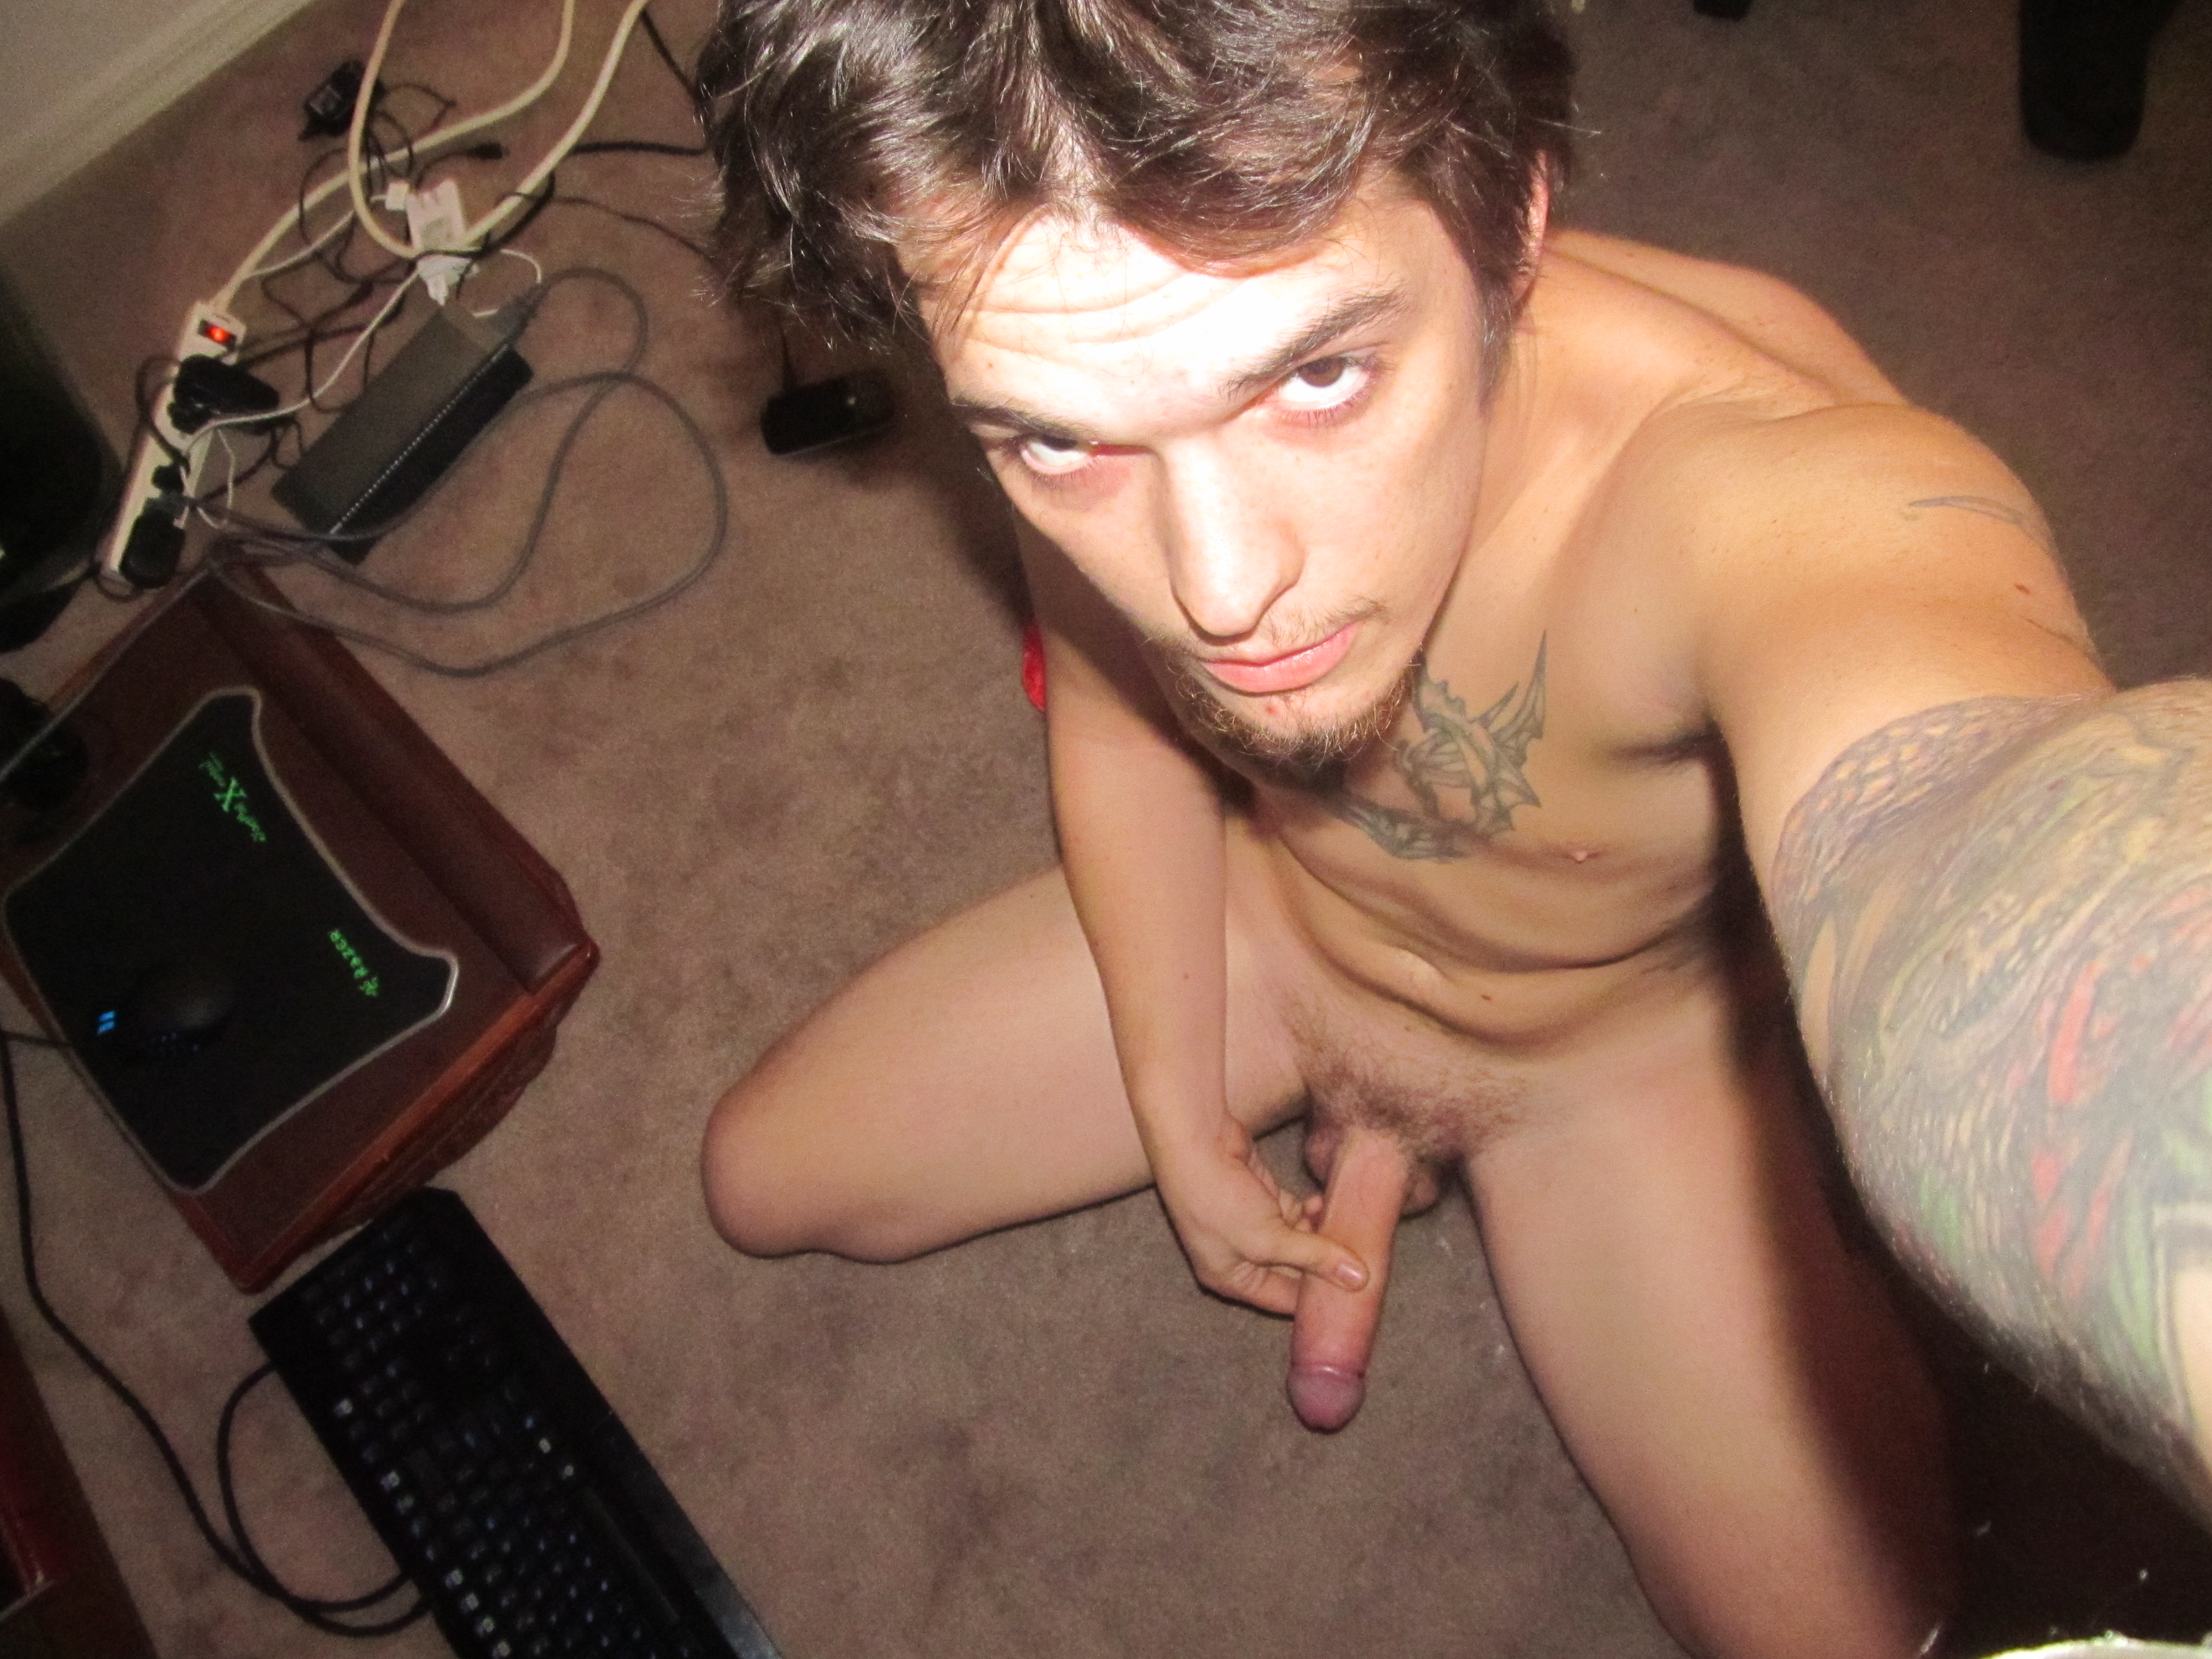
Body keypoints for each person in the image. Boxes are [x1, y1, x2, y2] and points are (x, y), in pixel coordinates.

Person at [691, 1, 2212, 1653]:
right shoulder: (1089, 334)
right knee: (764, 1179)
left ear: (1513, 227)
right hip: (1286, 927)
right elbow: (1125, 724)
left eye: (1318, 376)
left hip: (1609, 1058)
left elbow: (1989, 846)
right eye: (1055, 439)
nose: (1217, 586)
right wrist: (1180, 1105)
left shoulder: (1774, 480)